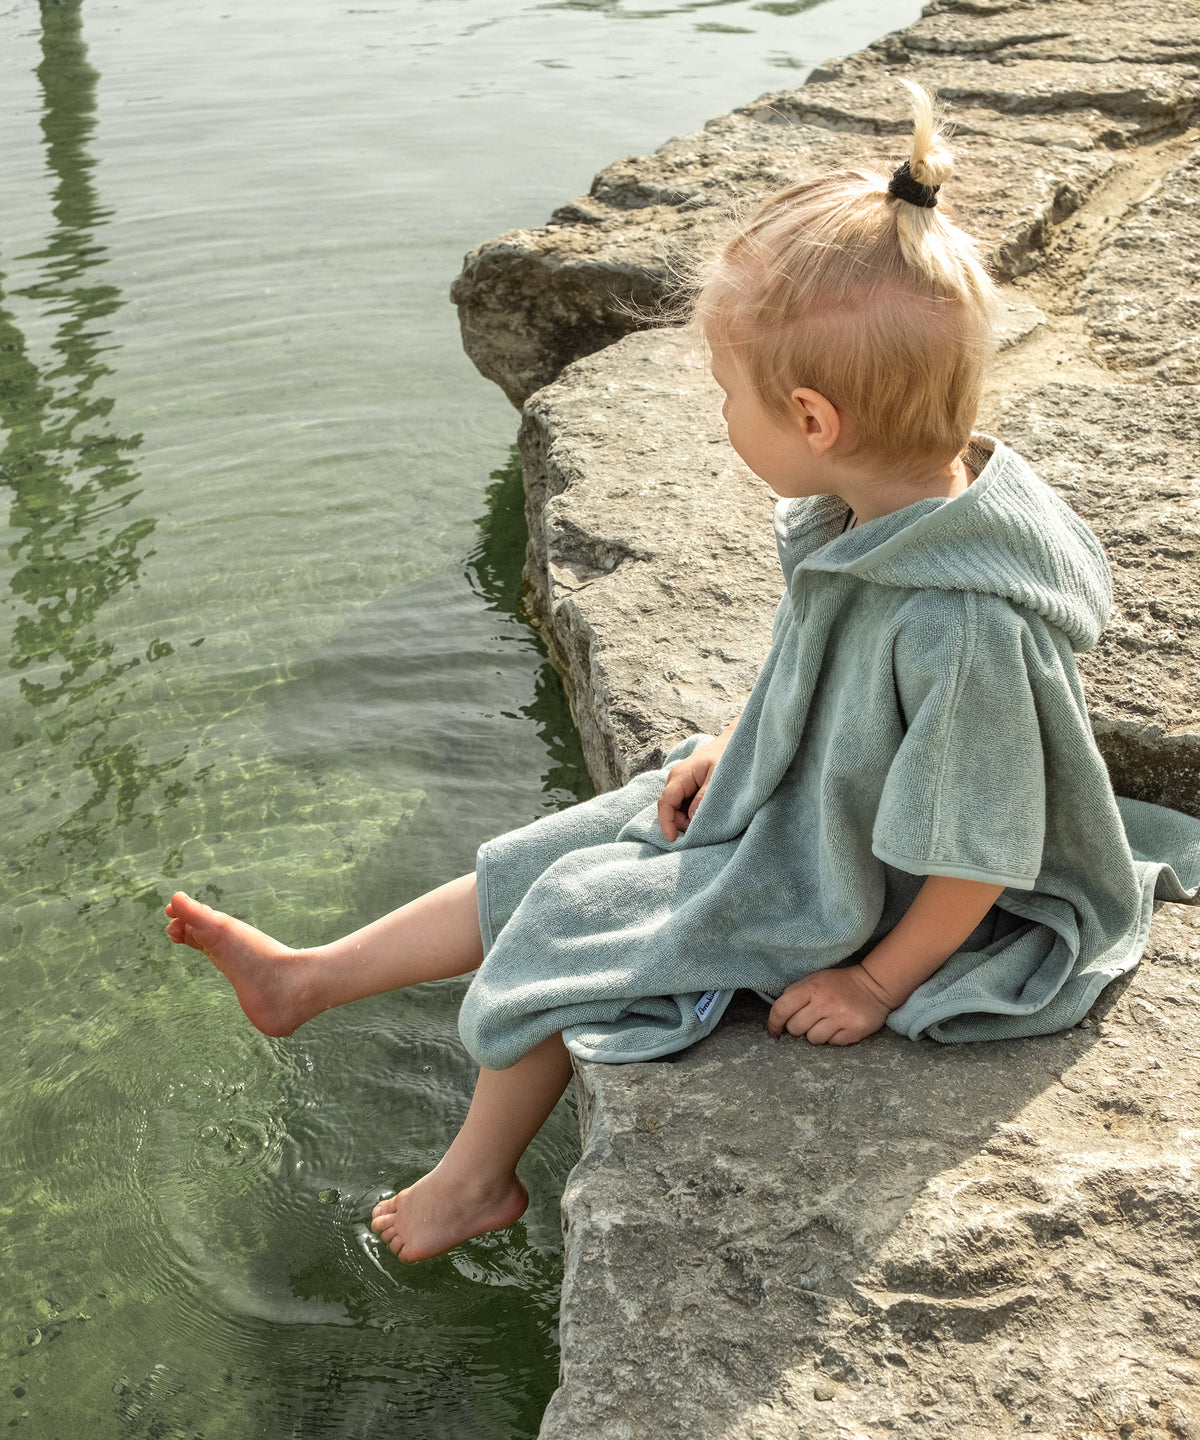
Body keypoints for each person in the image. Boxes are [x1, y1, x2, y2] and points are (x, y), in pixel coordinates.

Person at [166, 83, 1200, 1263]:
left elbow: (979, 844)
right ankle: (313, 979)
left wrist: (871, 981)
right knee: (583, 834)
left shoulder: (962, 620)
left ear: (813, 417)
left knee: (579, 917)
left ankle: (471, 1182)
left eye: (724, 395)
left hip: (911, 897)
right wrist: (740, 742)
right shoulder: (881, 511)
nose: (718, 417)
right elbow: (835, 680)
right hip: (839, 817)